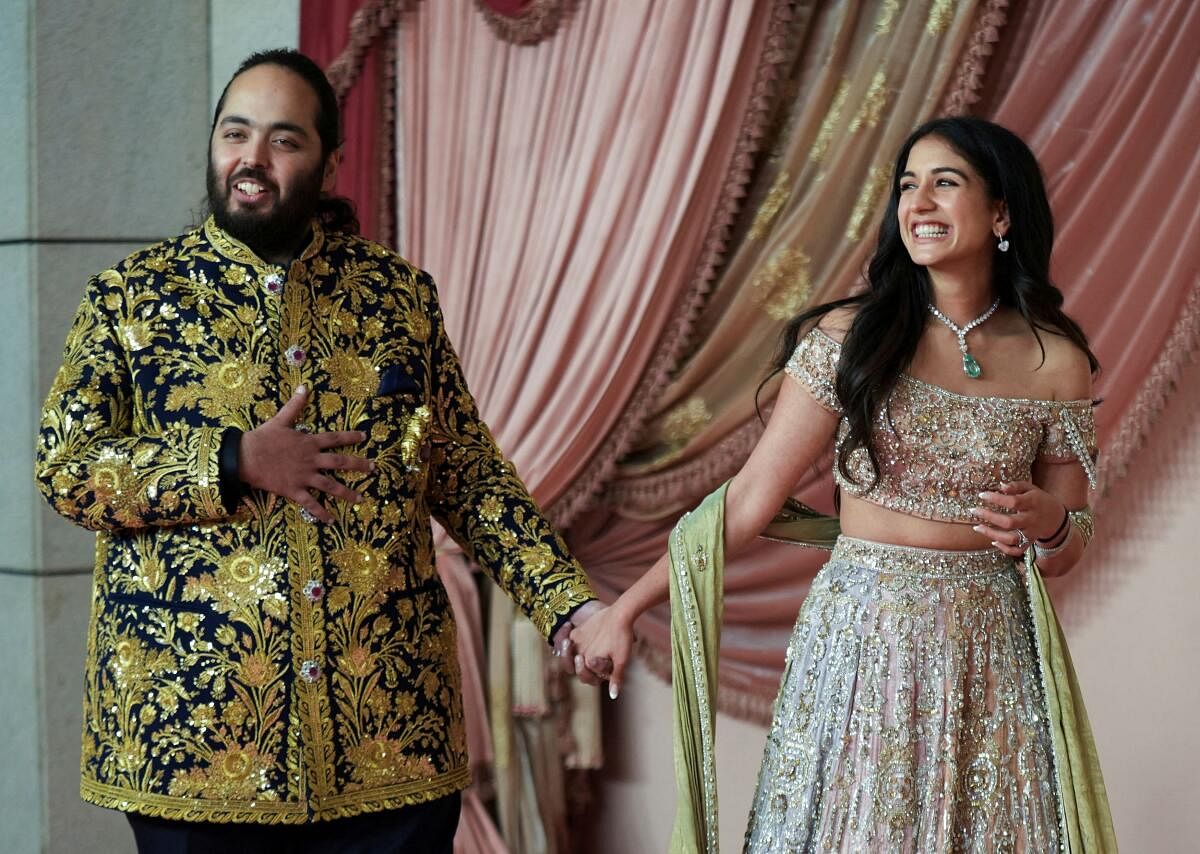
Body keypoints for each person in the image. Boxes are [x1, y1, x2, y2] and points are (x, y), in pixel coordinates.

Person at [35, 49, 604, 854]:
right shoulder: (131, 297)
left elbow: (470, 477)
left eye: (282, 141)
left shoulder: (398, 297)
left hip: (390, 744)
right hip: (195, 749)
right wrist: (230, 460)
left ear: (331, 160)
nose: (251, 162)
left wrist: (568, 608)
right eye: (235, 134)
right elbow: (66, 468)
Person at [572, 116, 1116, 851]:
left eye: (945, 183)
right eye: (907, 185)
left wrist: (1050, 520)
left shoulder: (1057, 361)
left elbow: (1074, 536)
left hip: (991, 652)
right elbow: (746, 501)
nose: (918, 201)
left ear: (1002, 212)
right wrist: (625, 608)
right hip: (866, 643)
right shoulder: (850, 339)